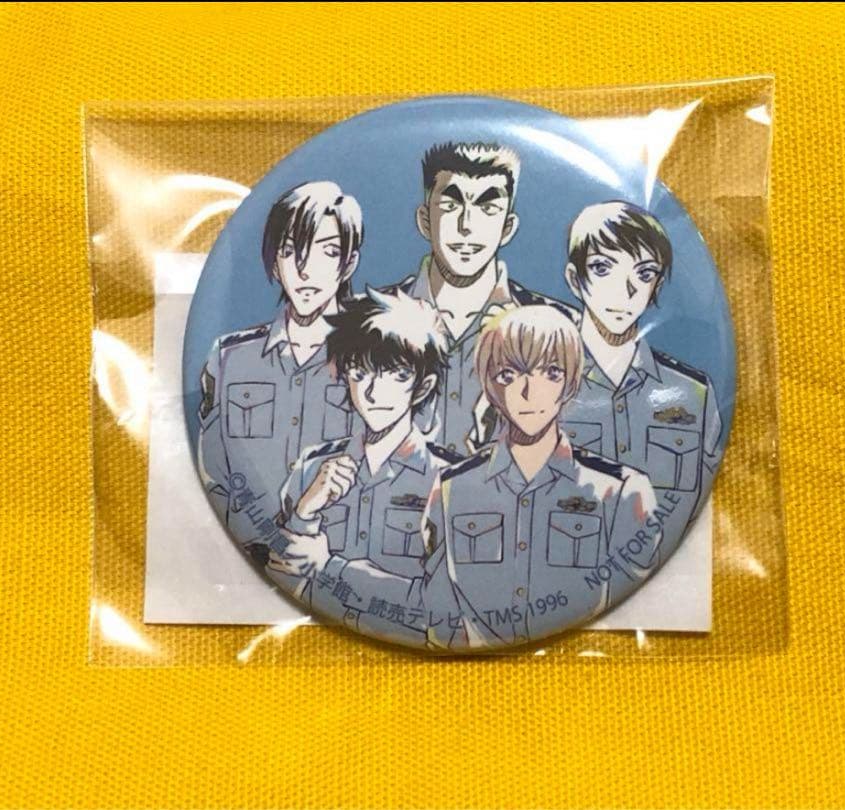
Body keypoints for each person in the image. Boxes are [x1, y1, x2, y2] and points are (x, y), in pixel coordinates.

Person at [278, 305, 661, 651]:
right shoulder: (452, 486)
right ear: (490, 385)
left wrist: (329, 568)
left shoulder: (621, 491)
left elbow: (637, 617)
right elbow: (438, 613)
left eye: (551, 373)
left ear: (572, 381)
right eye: (508, 374)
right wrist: (305, 521)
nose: (529, 392)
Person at [262, 288, 459, 644]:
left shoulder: (450, 480)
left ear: (422, 385)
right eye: (359, 372)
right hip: (310, 650)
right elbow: (275, 581)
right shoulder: (313, 466)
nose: (373, 391)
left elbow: (445, 606)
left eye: (396, 375)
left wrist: (331, 568)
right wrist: (305, 512)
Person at [197, 181, 364, 558]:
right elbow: (212, 473)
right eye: (290, 252)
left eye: (327, 252)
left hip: (335, 563)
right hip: (238, 559)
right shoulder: (229, 357)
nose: (305, 271)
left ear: (349, 263)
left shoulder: (376, 363)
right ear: (274, 261)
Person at [385, 141, 574, 456]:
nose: (467, 226)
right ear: (425, 221)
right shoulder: (367, 318)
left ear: (507, 227)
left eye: (488, 208)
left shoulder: (562, 329)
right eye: (450, 205)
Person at [560, 201, 722, 556]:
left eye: (644, 274)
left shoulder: (693, 394)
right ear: (574, 280)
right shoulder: (538, 393)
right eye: (603, 268)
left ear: (657, 286)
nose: (625, 290)